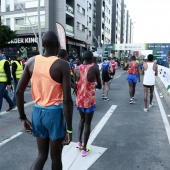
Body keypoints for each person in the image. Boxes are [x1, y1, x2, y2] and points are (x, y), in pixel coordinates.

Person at [16, 31, 73, 170]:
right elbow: (67, 100)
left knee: (41, 155)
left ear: (43, 45)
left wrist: (23, 118)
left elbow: (18, 91)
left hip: (37, 112)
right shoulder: (63, 64)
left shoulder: (31, 62)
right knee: (56, 158)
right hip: (54, 114)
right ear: (58, 46)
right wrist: (69, 130)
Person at [74, 51, 101, 157]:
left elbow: (76, 84)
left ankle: (79, 142)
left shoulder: (77, 68)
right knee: (88, 123)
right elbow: (99, 85)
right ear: (91, 58)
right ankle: (84, 149)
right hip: (89, 100)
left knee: (82, 119)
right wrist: (92, 84)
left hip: (79, 99)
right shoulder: (94, 68)